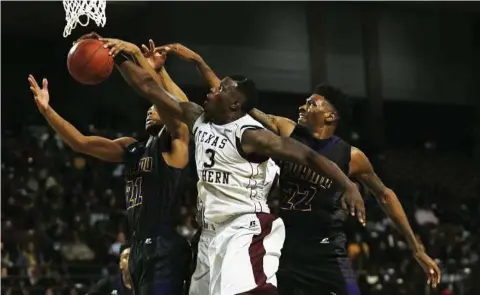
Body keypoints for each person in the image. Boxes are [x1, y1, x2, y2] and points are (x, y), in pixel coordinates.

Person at [153, 43, 442, 294]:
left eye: (311, 103)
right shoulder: (285, 130)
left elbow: (385, 195)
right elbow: (231, 102)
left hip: (325, 245)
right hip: (285, 242)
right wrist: (200, 63)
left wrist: (416, 248)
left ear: (330, 115)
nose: (302, 106)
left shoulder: (352, 156)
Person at [100, 37, 364, 295]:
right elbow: (149, 87)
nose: (214, 89)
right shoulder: (197, 118)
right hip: (209, 234)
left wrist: (347, 184)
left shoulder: (252, 135)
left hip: (245, 227)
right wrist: (121, 54)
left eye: (222, 89)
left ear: (235, 104)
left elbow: (309, 156)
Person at [28, 35, 192, 295]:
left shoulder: (175, 143)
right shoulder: (133, 148)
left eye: (156, 109)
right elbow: (81, 143)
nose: (150, 111)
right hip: (138, 245)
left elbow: (176, 105)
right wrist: (48, 111)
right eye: (148, 109)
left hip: (164, 245)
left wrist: (156, 71)